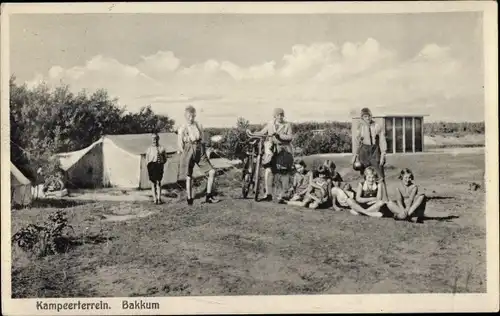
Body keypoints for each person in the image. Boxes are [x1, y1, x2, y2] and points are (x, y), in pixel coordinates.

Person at [178, 105, 219, 205]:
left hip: (199, 148)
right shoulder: (182, 128)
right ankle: (189, 199)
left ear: (194, 115)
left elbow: (203, 139)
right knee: (189, 175)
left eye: (192, 116)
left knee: (212, 172)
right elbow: (180, 144)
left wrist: (205, 150)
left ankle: (208, 196)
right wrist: (186, 152)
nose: (190, 118)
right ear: (185, 116)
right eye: (188, 116)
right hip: (188, 149)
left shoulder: (198, 125)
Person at [352, 107, 389, 201]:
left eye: (368, 116)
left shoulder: (376, 125)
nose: (367, 118)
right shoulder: (359, 126)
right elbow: (356, 141)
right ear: (362, 117)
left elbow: (382, 139)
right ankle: (365, 198)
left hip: (374, 150)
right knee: (366, 175)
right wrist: (355, 155)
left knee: (380, 175)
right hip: (364, 151)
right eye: (365, 116)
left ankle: (385, 200)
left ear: (371, 116)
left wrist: (383, 154)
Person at [258, 108, 294, 202]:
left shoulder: (287, 125)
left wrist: (279, 136)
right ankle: (268, 194)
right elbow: (262, 132)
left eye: (282, 115)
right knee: (268, 171)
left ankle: (283, 194)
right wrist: (252, 133)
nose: (280, 117)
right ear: (275, 116)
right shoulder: (270, 124)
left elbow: (290, 137)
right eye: (278, 115)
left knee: (284, 172)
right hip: (271, 150)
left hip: (283, 150)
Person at [146, 133, 168, 204]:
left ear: (158, 139)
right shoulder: (149, 149)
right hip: (152, 166)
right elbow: (147, 159)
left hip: (159, 165)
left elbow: (165, 158)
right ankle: (154, 199)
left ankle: (159, 198)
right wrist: (149, 166)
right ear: (151, 139)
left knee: (158, 182)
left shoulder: (162, 148)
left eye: (156, 138)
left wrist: (161, 163)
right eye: (153, 138)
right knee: (153, 183)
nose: (154, 140)